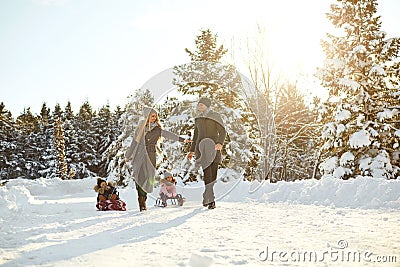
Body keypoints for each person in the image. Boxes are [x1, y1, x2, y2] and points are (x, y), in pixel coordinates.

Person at [125, 106, 189, 212]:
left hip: (150, 156)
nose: (154, 118)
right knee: (139, 178)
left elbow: (169, 135)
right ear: (146, 117)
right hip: (139, 156)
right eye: (152, 116)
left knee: (147, 178)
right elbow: (134, 142)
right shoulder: (140, 129)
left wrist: (182, 139)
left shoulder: (157, 129)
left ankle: (143, 198)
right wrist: (128, 155)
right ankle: (142, 202)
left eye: (155, 116)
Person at [187, 97, 226, 209]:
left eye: (201, 105)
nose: (199, 107)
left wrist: (220, 143)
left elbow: (222, 131)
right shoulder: (198, 118)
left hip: (214, 148)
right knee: (207, 173)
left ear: (207, 106)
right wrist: (192, 150)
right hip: (202, 149)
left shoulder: (215, 116)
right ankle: (211, 199)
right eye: (198, 105)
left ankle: (206, 195)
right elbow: (196, 136)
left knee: (213, 175)